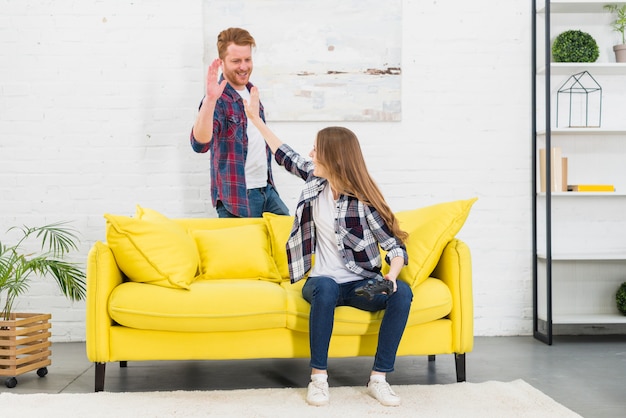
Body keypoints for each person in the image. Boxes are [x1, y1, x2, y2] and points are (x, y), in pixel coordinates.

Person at [244, 88, 413, 407]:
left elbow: (394, 245)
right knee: (325, 287)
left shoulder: (363, 203)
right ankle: (319, 379)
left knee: (402, 293)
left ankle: (379, 378)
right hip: (321, 285)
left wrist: (391, 275)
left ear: (334, 159)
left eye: (317, 149)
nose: (311, 154)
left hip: (361, 287)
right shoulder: (314, 180)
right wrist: (255, 119)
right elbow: (285, 154)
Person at [190, 27, 289, 218]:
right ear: (222, 63)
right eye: (236, 61)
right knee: (245, 249)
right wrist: (210, 101)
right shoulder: (217, 99)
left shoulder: (251, 93)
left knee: (290, 237)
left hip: (265, 189)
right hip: (238, 197)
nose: (244, 66)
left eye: (247, 59)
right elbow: (199, 145)